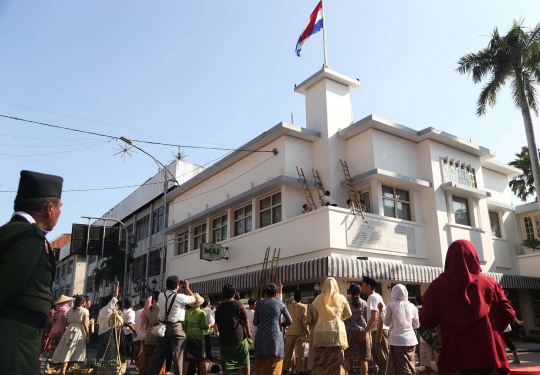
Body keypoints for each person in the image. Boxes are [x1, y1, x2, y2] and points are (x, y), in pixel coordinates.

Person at [420, 240, 515, 375]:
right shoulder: (490, 284)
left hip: (456, 357)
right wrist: (491, 327)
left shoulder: (438, 286)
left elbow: (426, 321)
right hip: (489, 353)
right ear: (474, 256)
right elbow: (508, 313)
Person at [0, 170, 63, 375]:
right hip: (16, 338)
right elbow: (6, 284)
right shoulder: (29, 236)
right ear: (49, 208)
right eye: (59, 207)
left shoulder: (11, 230)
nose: (60, 212)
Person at [147, 276, 196, 375]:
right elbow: (194, 299)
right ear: (177, 286)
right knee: (178, 356)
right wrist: (187, 288)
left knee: (158, 356)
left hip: (162, 328)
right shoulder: (180, 297)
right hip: (176, 327)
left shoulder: (161, 295)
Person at [311, 277, 351, 375]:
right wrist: (340, 317)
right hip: (337, 331)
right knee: (337, 362)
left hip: (320, 332)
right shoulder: (341, 298)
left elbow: (315, 316)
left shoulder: (318, 298)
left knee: (320, 362)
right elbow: (349, 314)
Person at [253, 283, 292, 375]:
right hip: (275, 338)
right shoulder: (279, 303)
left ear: (266, 293)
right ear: (276, 294)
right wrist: (280, 325)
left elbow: (255, 322)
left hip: (261, 338)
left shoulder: (259, 304)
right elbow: (290, 320)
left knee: (261, 367)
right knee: (275, 366)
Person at [381, 284, 419, 375]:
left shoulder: (391, 305)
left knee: (402, 368)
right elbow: (416, 325)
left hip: (397, 341)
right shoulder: (412, 306)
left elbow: (386, 322)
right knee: (410, 365)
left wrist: (382, 313)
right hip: (411, 340)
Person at [215, 284, 251, 375]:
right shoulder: (239, 304)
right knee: (245, 360)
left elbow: (218, 324)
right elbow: (246, 320)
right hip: (239, 338)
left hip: (225, 339)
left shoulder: (219, 307)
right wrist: (248, 333)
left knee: (226, 363)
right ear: (234, 294)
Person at [51, 295, 90, 375]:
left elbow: (65, 323)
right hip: (79, 331)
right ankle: (75, 371)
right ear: (83, 302)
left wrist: (63, 333)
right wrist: (88, 334)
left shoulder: (70, 310)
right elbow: (85, 324)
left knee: (67, 352)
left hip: (69, 331)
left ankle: (63, 372)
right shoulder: (85, 311)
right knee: (77, 352)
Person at [360, 276, 389, 375]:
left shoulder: (373, 297)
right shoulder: (374, 297)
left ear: (368, 286)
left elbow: (374, 316)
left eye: (363, 285)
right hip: (377, 330)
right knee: (379, 358)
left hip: (379, 330)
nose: (361, 287)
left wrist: (365, 332)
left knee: (383, 358)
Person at [44, 295, 74, 375]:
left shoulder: (57, 311)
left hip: (53, 333)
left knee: (51, 353)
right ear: (65, 303)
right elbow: (66, 322)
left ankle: (47, 369)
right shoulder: (65, 311)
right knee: (60, 352)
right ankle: (56, 370)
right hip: (61, 333)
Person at [344, 283, 370, 375]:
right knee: (363, 358)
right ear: (359, 292)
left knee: (348, 357)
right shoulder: (364, 303)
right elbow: (367, 318)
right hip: (361, 332)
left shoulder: (346, 302)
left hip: (349, 332)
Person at [138, 291, 166, 375]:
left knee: (147, 358)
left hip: (149, 334)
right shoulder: (161, 308)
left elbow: (146, 324)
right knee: (159, 359)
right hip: (158, 335)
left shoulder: (149, 309)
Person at [183, 293, 210, 375]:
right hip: (199, 338)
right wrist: (209, 327)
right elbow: (203, 326)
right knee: (201, 359)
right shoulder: (201, 312)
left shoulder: (186, 312)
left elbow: (184, 325)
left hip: (188, 337)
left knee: (187, 359)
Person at [284, 290, 308, 375]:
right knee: (300, 352)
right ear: (301, 298)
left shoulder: (289, 306)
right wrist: (307, 331)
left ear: (294, 298)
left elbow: (285, 319)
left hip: (290, 331)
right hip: (300, 332)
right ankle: (300, 370)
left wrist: (284, 331)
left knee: (288, 352)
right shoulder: (303, 306)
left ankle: (286, 369)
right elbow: (304, 321)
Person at [97, 281, 120, 361]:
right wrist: (117, 285)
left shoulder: (101, 310)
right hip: (107, 330)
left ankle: (98, 362)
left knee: (102, 348)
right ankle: (106, 364)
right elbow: (115, 296)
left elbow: (98, 323)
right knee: (109, 348)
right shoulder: (108, 308)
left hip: (101, 331)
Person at [415, 296, 438, 375]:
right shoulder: (420, 312)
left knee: (438, 361)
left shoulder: (436, 311)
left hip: (435, 339)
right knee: (426, 362)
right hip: (425, 339)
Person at [306, 290, 321, 374]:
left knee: (312, 350)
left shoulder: (310, 306)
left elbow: (308, 321)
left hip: (313, 329)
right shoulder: (323, 305)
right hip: (322, 328)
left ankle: (311, 368)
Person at [121, 297, 138, 364]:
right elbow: (130, 324)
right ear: (132, 304)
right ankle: (132, 360)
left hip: (122, 331)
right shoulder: (130, 312)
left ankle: (123, 365)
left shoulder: (122, 310)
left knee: (123, 349)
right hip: (128, 332)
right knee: (129, 348)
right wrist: (135, 331)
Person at [201, 296, 215, 361]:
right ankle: (207, 365)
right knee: (207, 352)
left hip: (200, 334)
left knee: (201, 352)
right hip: (207, 334)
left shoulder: (200, 310)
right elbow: (212, 323)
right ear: (208, 303)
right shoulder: (209, 311)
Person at [133, 299, 146, 368]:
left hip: (136, 335)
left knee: (136, 352)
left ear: (140, 305)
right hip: (145, 336)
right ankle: (143, 365)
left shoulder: (135, 313)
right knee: (144, 352)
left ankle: (137, 365)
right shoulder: (147, 312)